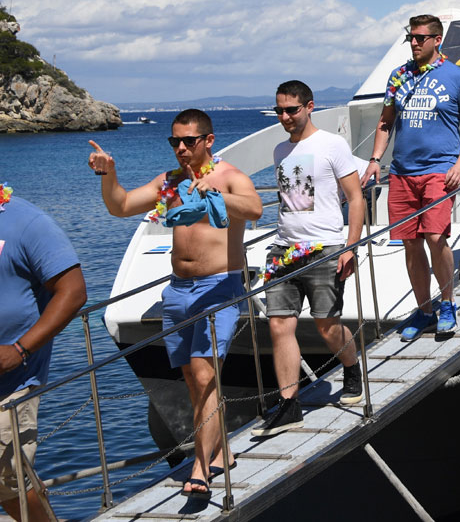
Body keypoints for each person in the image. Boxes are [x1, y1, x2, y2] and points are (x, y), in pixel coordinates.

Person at [89, 110, 262, 497]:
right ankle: (222, 451)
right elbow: (121, 205)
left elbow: (254, 209)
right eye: (175, 142)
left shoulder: (229, 177)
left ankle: (200, 468)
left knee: (203, 376)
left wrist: (214, 195)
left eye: (189, 141)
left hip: (219, 288)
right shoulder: (170, 182)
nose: (181, 148)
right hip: (178, 291)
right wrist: (108, 174)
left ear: (208, 141)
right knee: (193, 380)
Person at [251, 80, 365, 439]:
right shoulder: (280, 151)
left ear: (309, 107)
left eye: (291, 109)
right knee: (278, 325)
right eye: (279, 110)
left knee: (326, 326)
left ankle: (352, 368)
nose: (285, 116)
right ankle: (289, 406)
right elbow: (295, 201)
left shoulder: (332, 144)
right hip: (283, 249)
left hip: (325, 247)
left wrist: (350, 246)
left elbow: (355, 198)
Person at [362, 14, 460, 341]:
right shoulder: (398, 76)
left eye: (420, 38)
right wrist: (375, 160)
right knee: (410, 243)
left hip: (440, 169)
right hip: (402, 172)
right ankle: (425, 310)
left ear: (437, 40)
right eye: (411, 37)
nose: (414, 43)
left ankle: (447, 303)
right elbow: (386, 122)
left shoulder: (456, 76)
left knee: (435, 236)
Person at [0, 185, 85, 521]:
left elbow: (73, 291)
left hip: (12, 379)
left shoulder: (27, 222)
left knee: (7, 481)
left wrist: (20, 349)